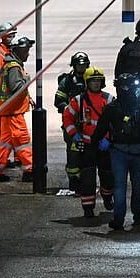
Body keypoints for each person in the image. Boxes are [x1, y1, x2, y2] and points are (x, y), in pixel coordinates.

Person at [91, 73, 140, 231]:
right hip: (135, 151)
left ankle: (119, 219)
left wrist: (93, 146)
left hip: (120, 151)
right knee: (137, 186)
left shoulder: (112, 108)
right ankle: (136, 216)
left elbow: (100, 129)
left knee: (120, 186)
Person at [62, 67, 115, 217]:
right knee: (87, 178)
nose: (96, 84)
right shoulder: (78, 100)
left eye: (98, 81)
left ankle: (107, 197)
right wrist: (74, 134)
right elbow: (67, 118)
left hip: (104, 145)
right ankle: (88, 208)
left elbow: (115, 123)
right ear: (87, 82)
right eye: (93, 81)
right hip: (87, 145)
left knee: (107, 176)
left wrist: (108, 139)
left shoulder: (109, 99)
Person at [0, 36, 34, 183]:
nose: (28, 54)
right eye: (26, 51)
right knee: (22, 140)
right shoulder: (14, 67)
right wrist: (27, 79)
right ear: (19, 51)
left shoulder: (10, 64)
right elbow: (16, 88)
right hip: (14, 112)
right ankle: (30, 170)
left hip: (7, 110)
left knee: (4, 142)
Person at [54, 51, 90, 194]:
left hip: (88, 123)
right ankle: (74, 183)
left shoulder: (92, 79)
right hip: (72, 125)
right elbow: (58, 101)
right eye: (79, 65)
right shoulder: (67, 81)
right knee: (73, 155)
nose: (82, 68)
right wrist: (70, 111)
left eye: (84, 65)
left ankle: (87, 181)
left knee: (87, 154)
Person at [0, 22, 19, 177]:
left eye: (13, 35)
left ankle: (6, 158)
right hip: (3, 101)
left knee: (8, 132)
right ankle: (0, 160)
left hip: (10, 101)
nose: (12, 38)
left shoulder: (9, 53)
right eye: (10, 35)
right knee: (3, 132)